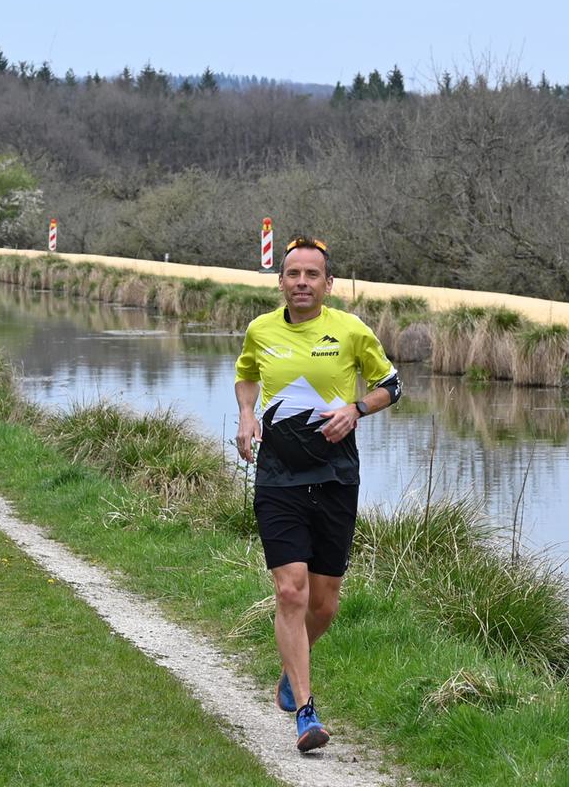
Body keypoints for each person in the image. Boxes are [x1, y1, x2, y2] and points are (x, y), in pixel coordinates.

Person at [233, 235, 401, 753]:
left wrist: (356, 409)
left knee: (324, 604)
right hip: (278, 477)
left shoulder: (350, 331)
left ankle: (291, 668)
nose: (301, 283)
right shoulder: (260, 331)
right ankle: (306, 712)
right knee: (291, 591)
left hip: (335, 479)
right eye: (292, 275)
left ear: (327, 284)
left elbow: (390, 385)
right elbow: (245, 377)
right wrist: (245, 414)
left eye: (311, 276)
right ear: (280, 281)